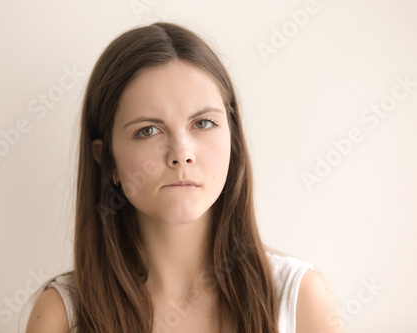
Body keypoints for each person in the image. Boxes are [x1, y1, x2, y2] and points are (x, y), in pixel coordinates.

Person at [25, 22, 344, 333]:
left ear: (233, 140)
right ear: (107, 160)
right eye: (147, 130)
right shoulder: (61, 317)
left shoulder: (301, 300)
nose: (181, 153)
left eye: (203, 123)